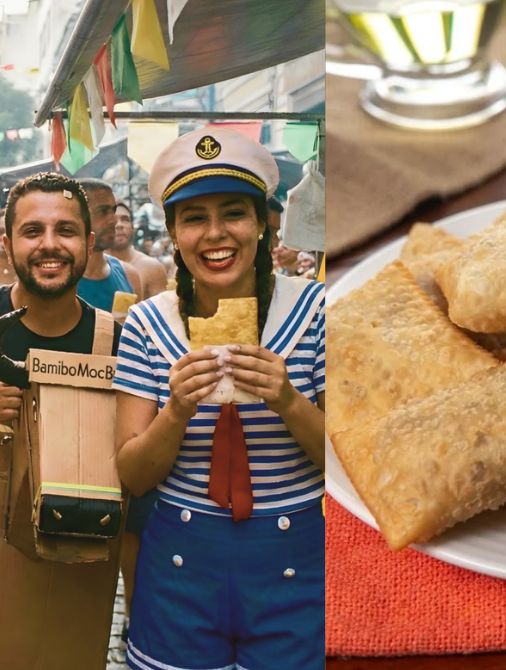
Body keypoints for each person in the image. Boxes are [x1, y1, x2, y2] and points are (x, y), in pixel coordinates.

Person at [114, 127, 325, 670]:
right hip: (180, 571)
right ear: (174, 232)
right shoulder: (147, 323)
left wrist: (288, 401)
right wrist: (177, 411)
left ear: (263, 222)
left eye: (233, 213)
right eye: (193, 218)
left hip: (297, 568)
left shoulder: (317, 311)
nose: (215, 235)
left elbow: (351, 464)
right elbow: (133, 475)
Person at [0, 171, 123, 669]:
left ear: (88, 240)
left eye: (65, 230)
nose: (50, 245)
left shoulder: (118, 342)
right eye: (33, 231)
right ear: (7, 241)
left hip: (74, 583)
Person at [76, 178, 143, 311]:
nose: (114, 220)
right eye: (103, 211)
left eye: (113, 210)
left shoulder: (129, 275)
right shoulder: (58, 277)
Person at [109, 200, 167, 299]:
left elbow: (160, 312)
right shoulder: (91, 266)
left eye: (125, 219)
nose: (119, 225)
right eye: (113, 220)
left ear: (132, 227)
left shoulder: (152, 268)